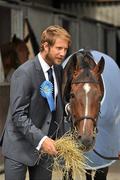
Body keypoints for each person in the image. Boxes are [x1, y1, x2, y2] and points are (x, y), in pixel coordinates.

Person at [0, 25, 71, 180]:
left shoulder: (57, 70)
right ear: (45, 46)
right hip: (19, 145)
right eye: (59, 48)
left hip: (45, 146)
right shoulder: (24, 73)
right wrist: (42, 139)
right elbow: (18, 115)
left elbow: (55, 106)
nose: (63, 53)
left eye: (65, 49)